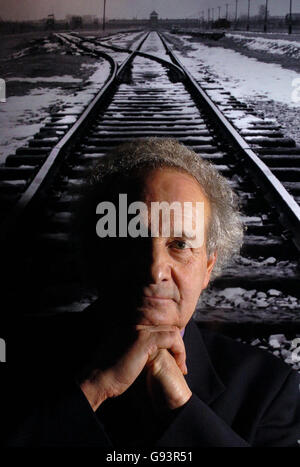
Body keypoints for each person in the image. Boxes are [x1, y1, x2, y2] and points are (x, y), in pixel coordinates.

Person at [3, 138, 300, 447]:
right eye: (133, 242)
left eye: (180, 244)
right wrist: (95, 388)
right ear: (97, 254)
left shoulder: (268, 388)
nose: (155, 270)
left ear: (208, 268)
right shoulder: (18, 360)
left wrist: (183, 407)